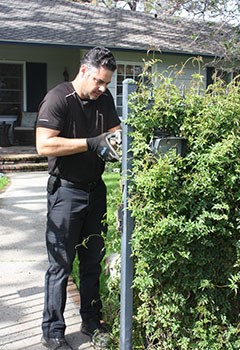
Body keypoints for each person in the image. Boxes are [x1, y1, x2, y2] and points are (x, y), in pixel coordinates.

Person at [36, 47, 121, 350]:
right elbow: (43, 146)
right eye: (99, 81)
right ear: (84, 71)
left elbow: (114, 133)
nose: (102, 88)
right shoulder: (59, 98)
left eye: (107, 83)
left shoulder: (105, 100)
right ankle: (53, 331)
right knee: (60, 264)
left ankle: (91, 320)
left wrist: (114, 146)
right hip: (66, 192)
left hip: (95, 190)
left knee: (92, 261)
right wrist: (89, 143)